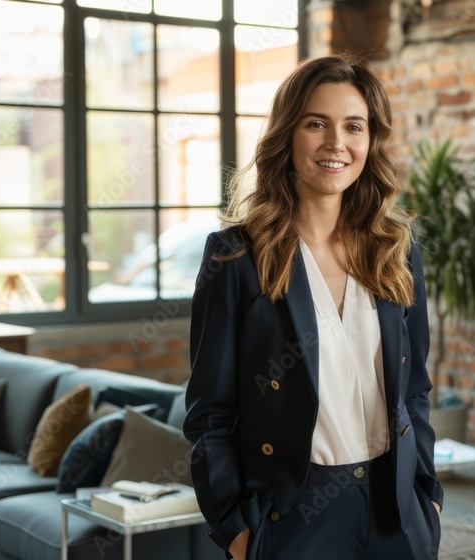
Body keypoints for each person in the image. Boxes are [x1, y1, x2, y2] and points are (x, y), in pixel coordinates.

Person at [182, 55, 443, 560]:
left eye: (354, 126)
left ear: (371, 140)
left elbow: (415, 391)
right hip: (292, 518)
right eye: (316, 123)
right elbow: (209, 414)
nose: (336, 143)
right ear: (288, 134)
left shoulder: (396, 248)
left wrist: (426, 497)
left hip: (396, 513)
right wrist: (238, 531)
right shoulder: (236, 257)